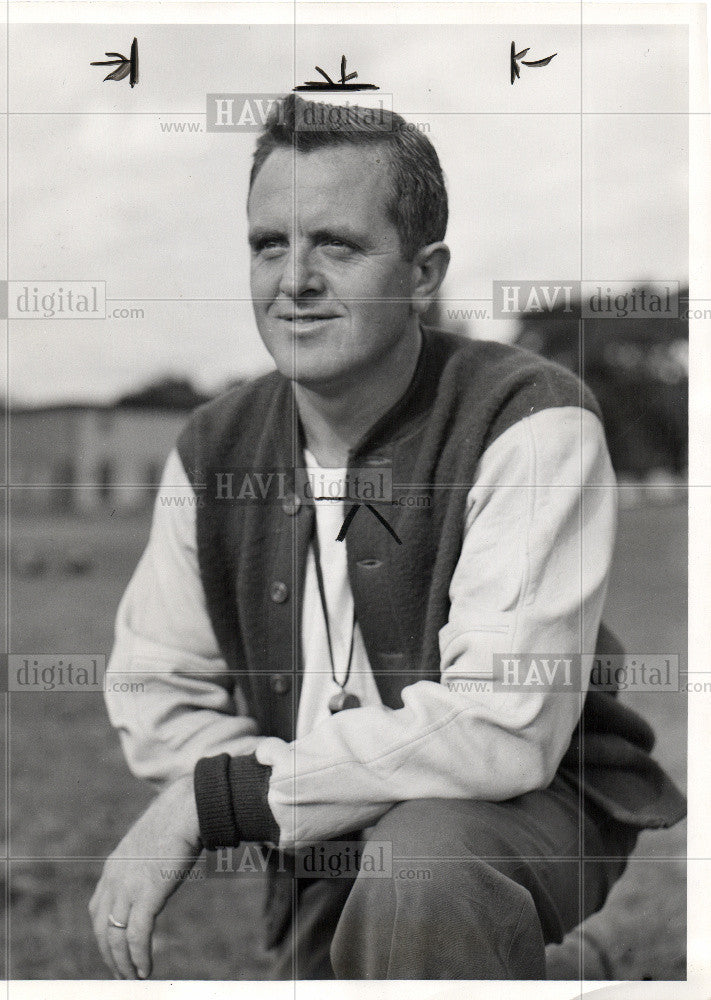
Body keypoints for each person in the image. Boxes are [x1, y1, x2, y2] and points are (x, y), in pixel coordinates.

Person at [89, 94, 685, 981]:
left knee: (425, 880)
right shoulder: (213, 446)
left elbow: (502, 726)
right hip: (314, 826)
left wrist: (226, 798)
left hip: (525, 803)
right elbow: (154, 689)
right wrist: (306, 790)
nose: (293, 279)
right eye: (267, 244)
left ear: (421, 272)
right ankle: (568, 975)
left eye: (336, 244)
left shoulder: (530, 419)